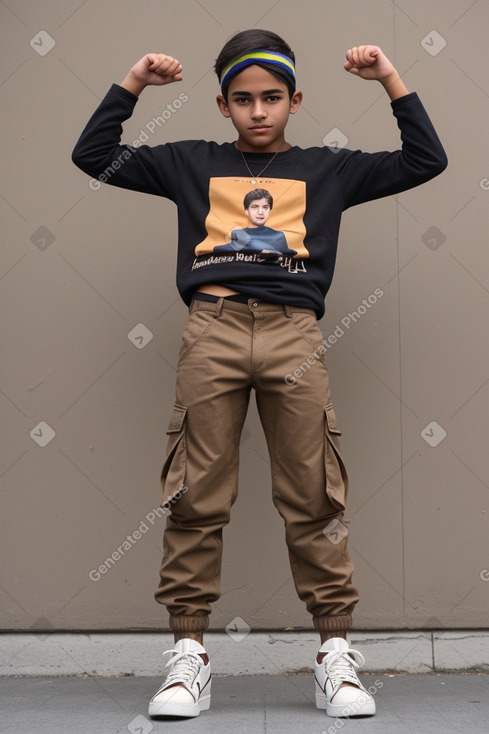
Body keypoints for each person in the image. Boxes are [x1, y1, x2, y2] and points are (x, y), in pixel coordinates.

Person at [72, 28, 447, 720]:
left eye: (272, 97)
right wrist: (134, 81)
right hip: (210, 331)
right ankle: (188, 658)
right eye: (242, 99)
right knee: (194, 495)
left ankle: (335, 658)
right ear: (222, 105)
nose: (258, 111)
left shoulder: (326, 170)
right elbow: (92, 155)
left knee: (314, 495)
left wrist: (389, 76)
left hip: (292, 336)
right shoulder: (191, 163)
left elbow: (425, 159)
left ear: (294, 99)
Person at [213, 188, 297, 261]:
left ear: (269, 210)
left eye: (265, 207)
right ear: (246, 210)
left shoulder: (279, 236)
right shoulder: (237, 233)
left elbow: (290, 256)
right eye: (255, 207)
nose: (260, 212)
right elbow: (218, 249)